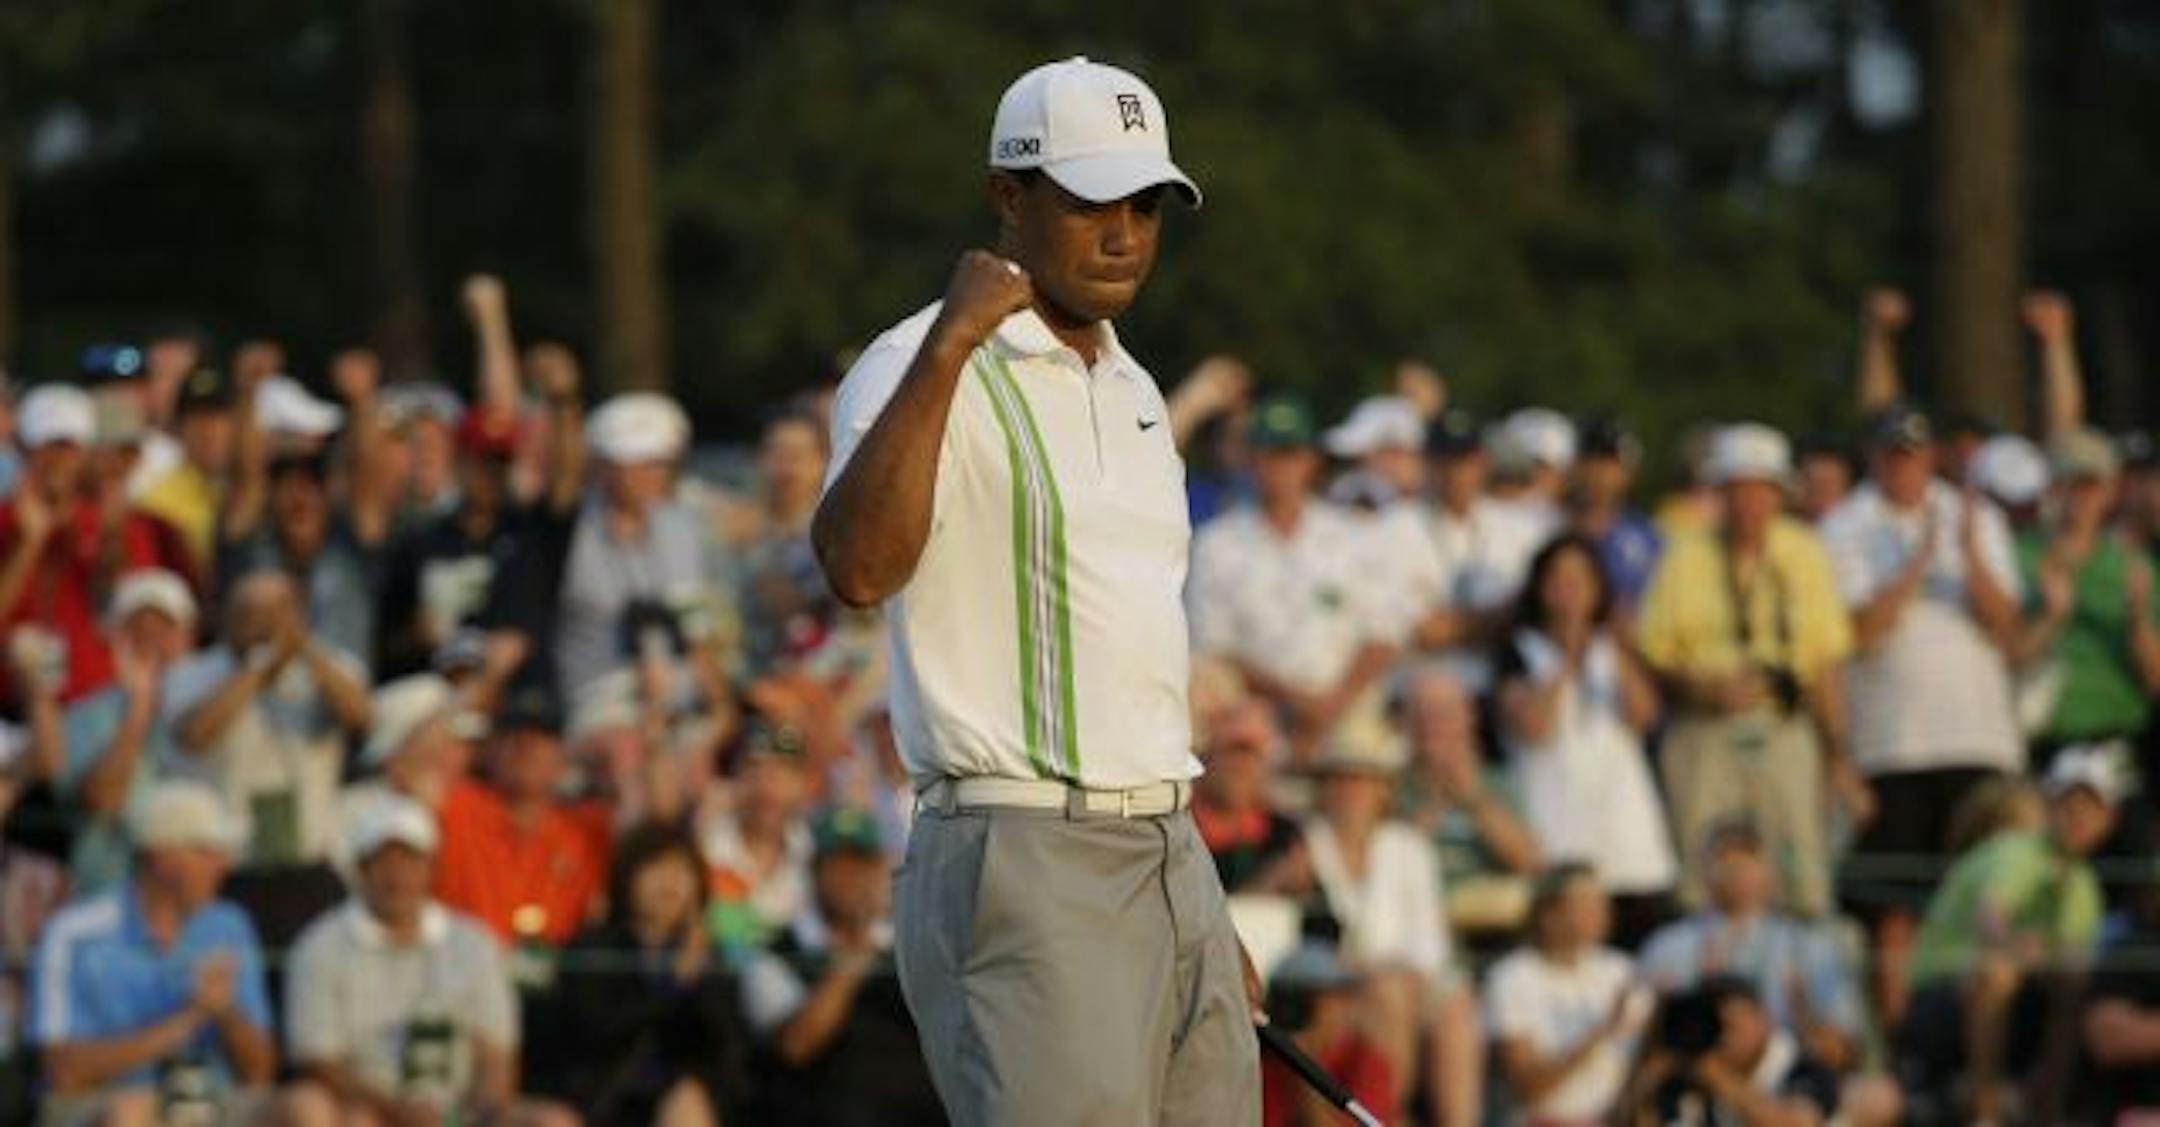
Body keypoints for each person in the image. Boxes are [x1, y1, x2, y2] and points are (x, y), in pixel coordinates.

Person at [812, 55, 1260, 1125]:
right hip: (1020, 852)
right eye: (1093, 201)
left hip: (1168, 850)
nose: (1125, 234)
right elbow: (858, 567)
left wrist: (1194, 905)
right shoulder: (918, 359)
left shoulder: (1136, 385)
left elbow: (1133, 655)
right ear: (1008, 198)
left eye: (1145, 206)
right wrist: (952, 341)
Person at [1818, 403, 2024, 1024]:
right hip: (1893, 745)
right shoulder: (1846, 525)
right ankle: (1902, 1032)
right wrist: (1917, 565)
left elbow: (2007, 624)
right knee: (1896, 905)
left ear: (1931, 456)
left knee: (1985, 895)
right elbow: (1857, 633)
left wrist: (1968, 554)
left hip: (1978, 739)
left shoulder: (1977, 517)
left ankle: (1981, 1031)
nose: (1903, 468)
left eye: (1913, 455)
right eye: (1891, 455)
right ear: (1873, 458)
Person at [1638, 424, 1856, 918]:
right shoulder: (1685, 553)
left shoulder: (1802, 552)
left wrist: (1837, 754)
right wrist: (1704, 688)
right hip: (1705, 724)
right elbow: (1656, 650)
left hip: (1782, 721)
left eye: (1760, 491)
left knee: (1798, 862)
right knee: (1701, 864)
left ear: (1779, 495)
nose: (1748, 505)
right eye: (1737, 491)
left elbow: (1825, 659)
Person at [283, 796, 557, 1127]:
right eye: (384, 862)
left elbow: (498, 1054)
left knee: (553, 1122)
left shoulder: (475, 943)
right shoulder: (319, 947)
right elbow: (318, 1061)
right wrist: (398, 1111)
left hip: (462, 1109)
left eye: (410, 861)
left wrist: (475, 1113)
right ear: (361, 870)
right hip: (368, 1108)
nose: (397, 876)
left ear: (431, 868)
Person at [26, 780, 276, 1125]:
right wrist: (186, 1021)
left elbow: (260, 1073)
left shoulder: (230, 925)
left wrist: (226, 1012)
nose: (223, 865)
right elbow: (63, 1072)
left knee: (305, 1106)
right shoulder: (74, 934)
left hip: (211, 1102)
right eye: (206, 851)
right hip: (103, 1107)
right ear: (163, 858)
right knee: (129, 1113)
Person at [1899, 745, 2118, 1125]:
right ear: (2050, 807)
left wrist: (2046, 956)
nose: (2079, 816)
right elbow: (1992, 923)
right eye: (2069, 804)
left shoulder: (2085, 885)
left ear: (2109, 819)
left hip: (2013, 1007)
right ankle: (1986, 1114)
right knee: (1999, 969)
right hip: (1940, 998)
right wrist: (2028, 949)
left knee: (2074, 985)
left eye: (2090, 807)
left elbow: (2070, 961)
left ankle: (2047, 1110)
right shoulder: (2015, 850)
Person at [1188, 394, 1406, 762]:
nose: (1279, 466)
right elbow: (1215, 646)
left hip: (1344, 697)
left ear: (1310, 460)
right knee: (1201, 682)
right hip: (1255, 701)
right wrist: (1296, 702)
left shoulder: (1353, 536)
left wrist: (1332, 704)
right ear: (1250, 459)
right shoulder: (1216, 542)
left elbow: (1384, 635)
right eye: (1267, 453)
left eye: (1289, 453)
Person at [164, 568, 370, 944]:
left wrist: (304, 651)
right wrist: (256, 670)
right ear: (226, 617)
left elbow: (361, 719)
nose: (263, 623)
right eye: (250, 612)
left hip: (309, 862)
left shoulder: (331, 666)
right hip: (228, 864)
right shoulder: (192, 674)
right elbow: (195, 736)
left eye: (277, 611)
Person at [1290, 720, 1479, 1126]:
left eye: (1361, 779)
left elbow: (1430, 940)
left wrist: (1388, 968)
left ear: (1382, 790)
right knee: (1389, 993)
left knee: (1455, 1005)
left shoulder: (1407, 845)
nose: (1351, 790)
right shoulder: (1307, 843)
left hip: (1402, 976)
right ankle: (1388, 1115)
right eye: (1341, 779)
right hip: (1335, 983)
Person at [1497, 533, 1678, 947]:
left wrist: (1616, 646)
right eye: (1559, 580)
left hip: (1625, 834)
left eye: (1580, 580)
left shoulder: (1610, 650)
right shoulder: (1520, 652)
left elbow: (1645, 717)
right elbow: (1534, 727)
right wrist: (1565, 657)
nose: (1570, 592)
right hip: (1558, 830)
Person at [740, 806, 942, 1126]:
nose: (850, 878)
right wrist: (855, 958)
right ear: (814, 869)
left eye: (861, 865)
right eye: (838, 865)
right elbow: (796, 1045)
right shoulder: (777, 953)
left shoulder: (912, 944)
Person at [545, 820, 748, 1126]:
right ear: (627, 877)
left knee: (688, 1100)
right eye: (656, 867)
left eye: (683, 870)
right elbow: (596, 1027)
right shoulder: (594, 948)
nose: (670, 881)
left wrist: (699, 979)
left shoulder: (707, 956)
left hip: (684, 1101)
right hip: (603, 1099)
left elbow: (725, 1047)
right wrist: (672, 984)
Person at [1637, 820, 1869, 1073]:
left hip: (1783, 1078)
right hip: (1691, 1072)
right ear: (1703, 871)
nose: (1737, 872)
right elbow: (1638, 1041)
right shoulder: (1667, 946)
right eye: (1724, 862)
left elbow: (1844, 1048)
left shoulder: (1808, 945)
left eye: (1748, 860)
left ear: (1769, 871)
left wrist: (1802, 1020)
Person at [219, 348, 394, 665]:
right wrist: (248, 394)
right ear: (270, 497)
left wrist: (363, 400)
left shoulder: (351, 548)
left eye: (312, 484)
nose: (300, 497)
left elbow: (368, 477)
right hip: (257, 692)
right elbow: (246, 479)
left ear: (328, 494)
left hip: (343, 694)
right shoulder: (252, 550)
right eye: (286, 484)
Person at [0, 383, 163, 706]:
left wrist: (111, 536)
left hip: (91, 697)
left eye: (70, 448)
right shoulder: (5, 518)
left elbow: (121, 610)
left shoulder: (109, 521)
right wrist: (30, 544)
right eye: (49, 447)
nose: (59, 461)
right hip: (13, 702)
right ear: (24, 450)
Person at [41, 569, 197, 895]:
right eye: (137, 630)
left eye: (164, 629)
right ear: (117, 640)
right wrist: (138, 710)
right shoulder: (85, 713)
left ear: (187, 636)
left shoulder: (210, 697)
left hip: (200, 887)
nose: (151, 640)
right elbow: (103, 800)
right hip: (111, 886)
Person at [433, 688, 607, 953]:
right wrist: (483, 684)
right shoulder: (457, 806)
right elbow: (409, 767)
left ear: (563, 754)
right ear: (489, 750)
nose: (527, 744)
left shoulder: (587, 830)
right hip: (461, 971)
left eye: (544, 735)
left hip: (557, 973)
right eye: (512, 733)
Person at [1484, 864, 1650, 1125]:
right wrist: (1601, 1033)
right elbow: (1530, 1087)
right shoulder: (1513, 976)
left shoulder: (1621, 969)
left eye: (1601, 903)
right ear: (1549, 913)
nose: (1600, 913)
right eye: (1585, 904)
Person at [1394, 666, 1540, 947]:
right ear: (1404, 722)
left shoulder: (1499, 783)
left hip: (1491, 925)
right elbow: (1389, 860)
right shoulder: (1389, 787)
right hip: (1415, 918)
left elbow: (1529, 862)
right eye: (1420, 713)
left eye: (1442, 713)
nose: (1431, 724)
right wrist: (1437, 800)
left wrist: (1473, 799)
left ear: (1467, 716)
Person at [1414, 407, 1554, 692]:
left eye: (1464, 460)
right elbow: (1424, 633)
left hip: (1503, 684)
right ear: (1427, 463)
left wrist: (1458, 626)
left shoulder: (1520, 528)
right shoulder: (1398, 527)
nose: (1454, 472)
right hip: (1432, 686)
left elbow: (1542, 612)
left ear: (1483, 462)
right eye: (1444, 460)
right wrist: (1500, 619)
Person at [1625, 976, 1867, 1127]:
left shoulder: (1805, 1065)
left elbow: (1795, 1123)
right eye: (1714, 1026)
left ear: (1763, 1020)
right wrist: (1650, 1073)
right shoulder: (1689, 1076)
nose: (1723, 1037)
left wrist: (1714, 1073)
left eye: (1731, 1025)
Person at [699, 719, 815, 953]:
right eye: (753, 773)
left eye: (780, 775)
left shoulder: (817, 852)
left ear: (800, 785)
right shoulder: (704, 849)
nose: (766, 789)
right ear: (734, 782)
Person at [1260, 940, 1395, 1127]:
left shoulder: (1363, 1059)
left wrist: (1306, 1070)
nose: (1345, 1009)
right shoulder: (1264, 1059)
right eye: (1337, 997)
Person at [1190, 697, 1304, 894]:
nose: (1240, 766)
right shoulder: (1179, 831)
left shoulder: (1285, 836)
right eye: (1232, 751)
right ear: (1207, 755)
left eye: (1251, 754)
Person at [137, 366, 241, 577]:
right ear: (179, 428)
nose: (209, 431)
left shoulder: (253, 487)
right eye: (197, 418)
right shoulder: (157, 502)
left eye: (220, 418)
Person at [1567, 416, 1662, 613]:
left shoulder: (1649, 538)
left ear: (1630, 473)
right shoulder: (1544, 526)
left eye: (1610, 464)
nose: (1598, 473)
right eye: (1590, 461)